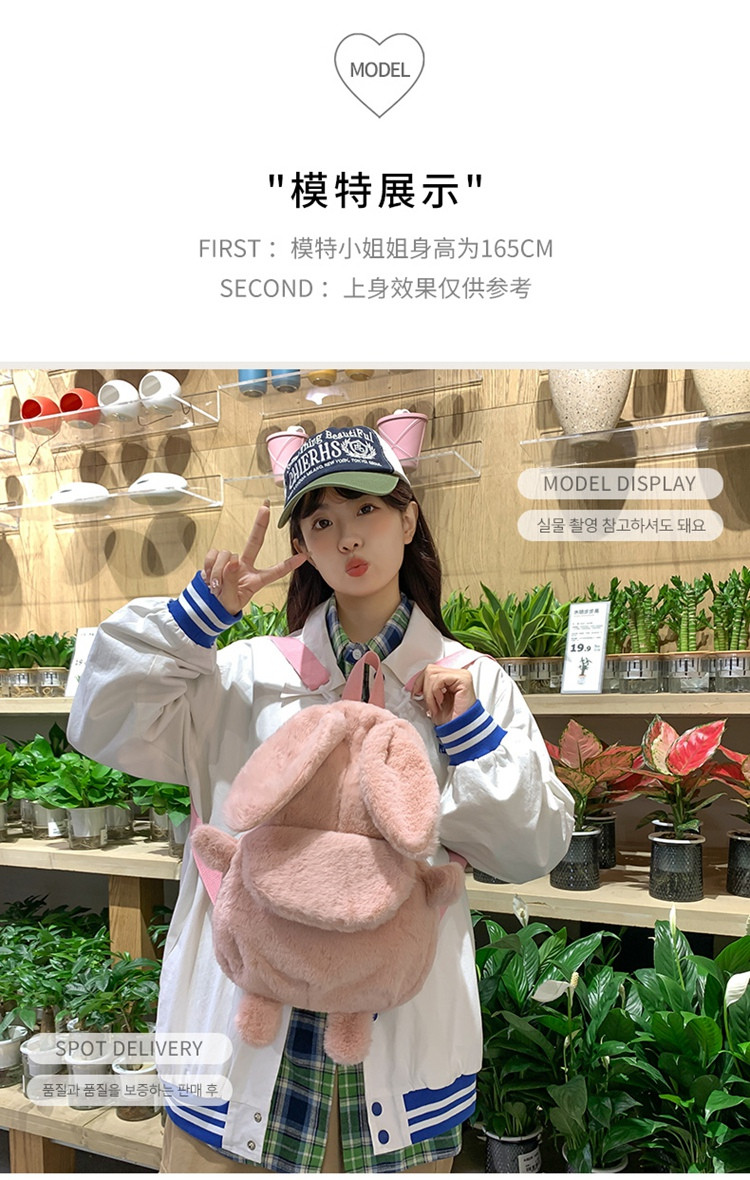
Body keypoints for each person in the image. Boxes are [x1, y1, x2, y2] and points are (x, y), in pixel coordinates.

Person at [68, 423, 573, 1174]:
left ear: (408, 518)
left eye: (366, 509)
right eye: (321, 521)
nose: (348, 537)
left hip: (398, 1078)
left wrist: (466, 731)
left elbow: (532, 848)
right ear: (301, 544)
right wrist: (197, 618)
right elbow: (100, 721)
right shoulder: (240, 676)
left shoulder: (470, 682)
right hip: (235, 1068)